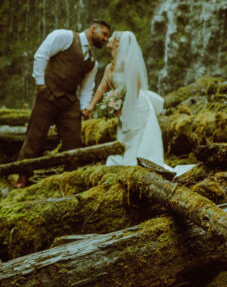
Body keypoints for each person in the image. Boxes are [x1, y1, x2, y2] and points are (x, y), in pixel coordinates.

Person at [15, 20, 111, 187]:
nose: (105, 39)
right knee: (35, 137)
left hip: (69, 102)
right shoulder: (64, 36)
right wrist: (40, 84)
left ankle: (70, 179)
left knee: (73, 141)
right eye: (104, 34)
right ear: (93, 28)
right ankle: (22, 178)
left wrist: (84, 107)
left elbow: (87, 87)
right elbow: (41, 54)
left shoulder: (92, 62)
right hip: (48, 94)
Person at [85, 30, 165, 166]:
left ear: (117, 43)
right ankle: (128, 161)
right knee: (124, 135)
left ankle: (138, 162)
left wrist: (124, 104)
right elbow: (102, 87)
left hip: (136, 105)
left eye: (112, 38)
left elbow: (137, 85)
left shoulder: (129, 63)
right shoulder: (110, 67)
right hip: (121, 106)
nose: (108, 39)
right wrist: (91, 106)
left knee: (136, 135)